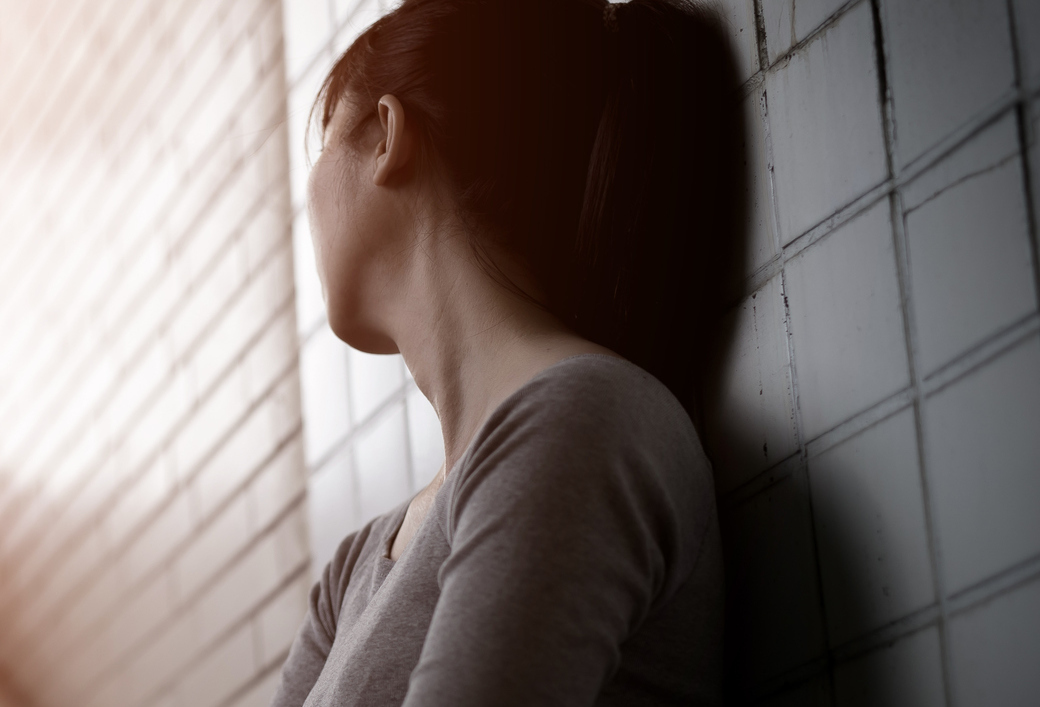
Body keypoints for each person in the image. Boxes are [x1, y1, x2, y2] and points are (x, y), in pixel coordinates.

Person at [269, 0, 745, 704]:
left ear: (387, 138)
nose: (307, 197)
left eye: (324, 144)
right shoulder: (352, 573)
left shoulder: (579, 419)